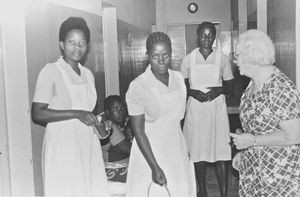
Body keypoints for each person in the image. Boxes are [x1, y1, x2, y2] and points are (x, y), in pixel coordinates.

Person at [31, 17, 110, 196]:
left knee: (90, 187)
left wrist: (100, 124)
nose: (77, 47)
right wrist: (76, 114)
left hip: (87, 144)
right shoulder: (51, 71)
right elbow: (37, 113)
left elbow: (88, 111)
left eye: (82, 43)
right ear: (61, 44)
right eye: (71, 42)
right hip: (63, 145)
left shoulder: (88, 74)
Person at [125, 32, 196, 197]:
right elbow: (139, 131)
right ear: (147, 56)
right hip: (150, 150)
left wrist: (184, 145)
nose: (161, 60)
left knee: (179, 190)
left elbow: (178, 120)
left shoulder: (179, 79)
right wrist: (154, 166)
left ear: (172, 53)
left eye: (165, 55)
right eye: (155, 56)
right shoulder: (138, 86)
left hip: (176, 145)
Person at [230, 29, 300, 196]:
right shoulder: (252, 86)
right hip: (254, 173)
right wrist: (244, 151)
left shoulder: (280, 88)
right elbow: (255, 129)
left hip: (278, 177)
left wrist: (253, 141)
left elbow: (295, 135)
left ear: (250, 57)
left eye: (237, 56)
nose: (235, 61)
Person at [180, 21, 234, 197]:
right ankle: (202, 190)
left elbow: (231, 87)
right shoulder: (188, 59)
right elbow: (181, 88)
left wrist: (218, 90)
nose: (206, 39)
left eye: (210, 35)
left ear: (214, 37)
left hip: (217, 110)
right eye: (203, 35)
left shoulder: (221, 59)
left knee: (221, 152)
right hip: (196, 110)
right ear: (197, 36)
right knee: (198, 151)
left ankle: (224, 193)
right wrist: (194, 92)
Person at [98, 95, 132, 162]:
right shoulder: (112, 127)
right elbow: (131, 150)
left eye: (122, 109)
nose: (120, 112)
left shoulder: (120, 125)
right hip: (116, 169)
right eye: (115, 109)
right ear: (107, 112)